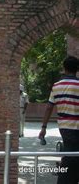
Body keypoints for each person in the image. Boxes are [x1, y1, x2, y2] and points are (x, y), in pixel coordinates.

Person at [39, 56, 79, 184]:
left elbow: (49, 108)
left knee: (70, 154)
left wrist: (43, 128)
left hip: (65, 128)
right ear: (77, 69)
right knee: (73, 156)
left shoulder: (56, 86)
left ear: (64, 68)